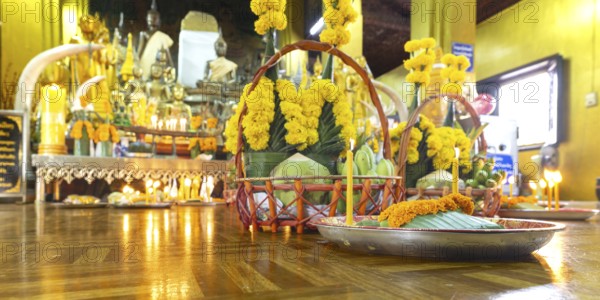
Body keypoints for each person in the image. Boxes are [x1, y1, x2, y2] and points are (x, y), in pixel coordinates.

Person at [138, 0, 174, 80]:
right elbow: (139, 51)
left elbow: (167, 53)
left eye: (155, 19)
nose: (153, 22)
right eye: (151, 20)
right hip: (145, 62)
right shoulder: (144, 34)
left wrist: (172, 66)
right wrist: (136, 62)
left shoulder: (163, 36)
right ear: (147, 20)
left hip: (158, 64)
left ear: (159, 21)